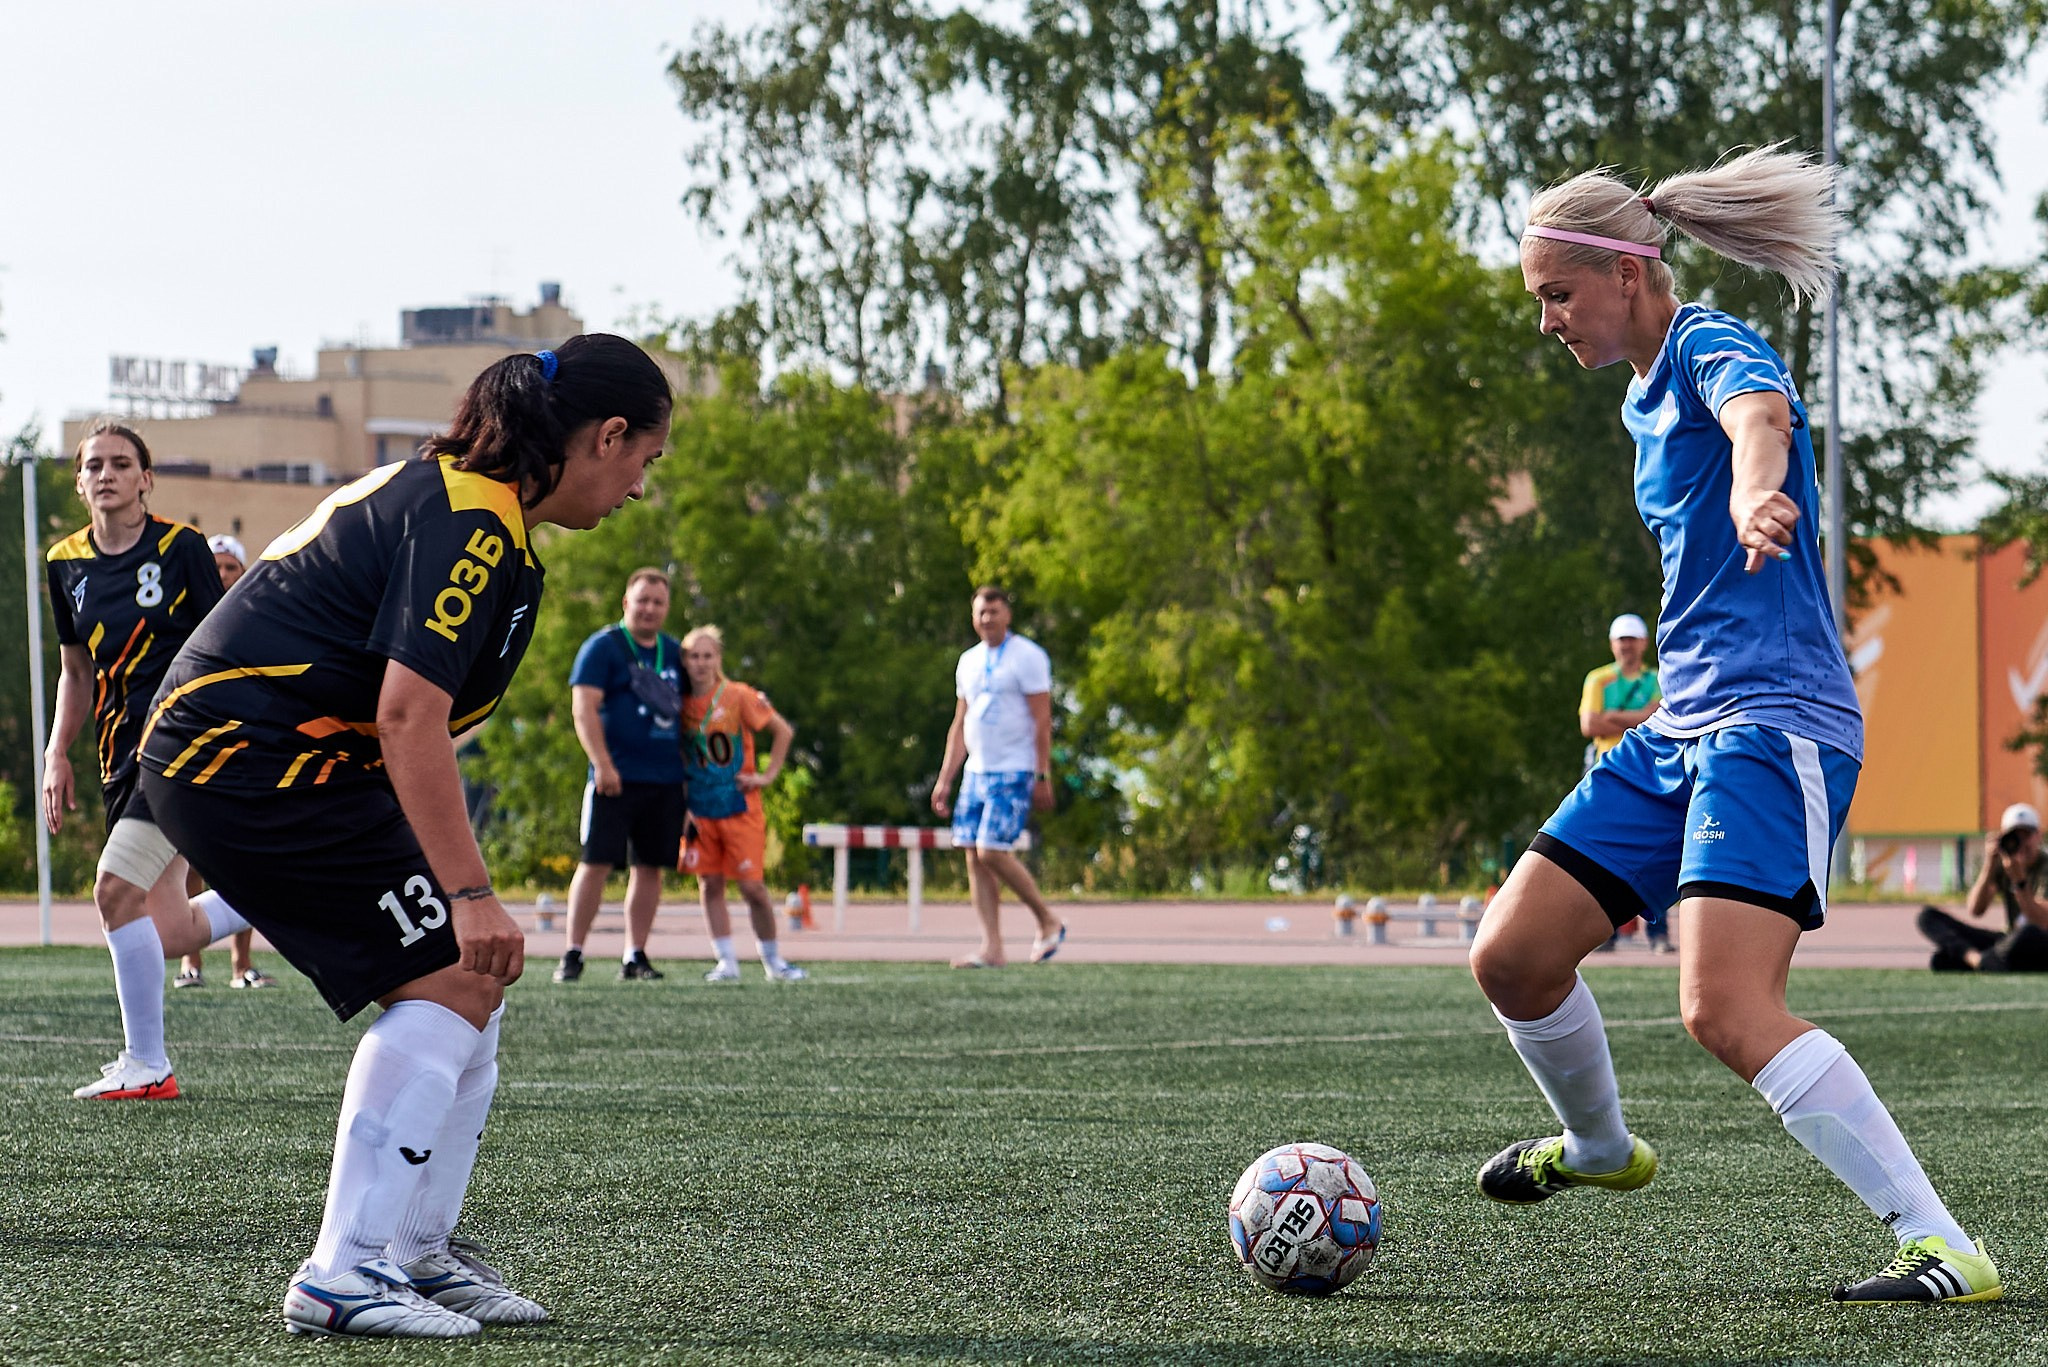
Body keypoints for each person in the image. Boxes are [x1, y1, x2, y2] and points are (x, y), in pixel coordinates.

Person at [1469, 146, 1999, 1303]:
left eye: (1558, 293)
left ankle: (1943, 1244)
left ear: (1628, 272)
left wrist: (1761, 482)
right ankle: (1601, 1149)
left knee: (1721, 1005)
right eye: (1538, 298)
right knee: (1509, 954)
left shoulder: (1710, 342)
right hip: (1680, 723)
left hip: (1775, 723)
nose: (1548, 319)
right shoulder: (1635, 391)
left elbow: (1756, 414)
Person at [139, 335, 672, 1337]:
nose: (640, 485)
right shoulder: (472, 520)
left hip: (259, 761)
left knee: (474, 981)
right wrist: (470, 893)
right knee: (457, 968)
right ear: (605, 436)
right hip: (246, 760)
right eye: (645, 457)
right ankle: (343, 1268)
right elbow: (406, 716)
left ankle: (411, 1251)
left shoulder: (464, 503)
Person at [41, 419, 258, 1101]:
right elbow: (75, 670)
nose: (106, 473)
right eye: (93, 465)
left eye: (120, 462)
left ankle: (148, 1063)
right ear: (80, 482)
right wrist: (57, 751)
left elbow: (221, 646)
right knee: (166, 927)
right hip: (116, 750)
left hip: (180, 741)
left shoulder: (182, 548)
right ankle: (274, 901)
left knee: (112, 891)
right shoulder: (64, 562)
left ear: (146, 478)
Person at [552, 568, 686, 984]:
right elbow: (583, 709)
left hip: (664, 779)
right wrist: (603, 764)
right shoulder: (603, 647)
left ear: (666, 609)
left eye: (658, 602)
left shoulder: (674, 652)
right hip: (615, 778)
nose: (649, 608)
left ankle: (635, 955)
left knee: (650, 867)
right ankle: (572, 953)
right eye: (642, 600)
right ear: (626, 602)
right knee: (596, 863)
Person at [930, 586, 1065, 969]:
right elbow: (961, 723)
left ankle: (1047, 919)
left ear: (1007, 614)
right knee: (973, 854)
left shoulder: (1028, 657)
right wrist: (945, 779)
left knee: (992, 849)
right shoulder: (968, 661)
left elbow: (1042, 720)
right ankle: (992, 947)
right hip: (977, 769)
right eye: (980, 612)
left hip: (1014, 766)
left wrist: (1042, 774)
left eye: (993, 611)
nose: (986, 618)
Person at [175, 533, 277, 991]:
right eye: (214, 567)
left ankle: (241, 965)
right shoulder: (183, 621)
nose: (221, 575)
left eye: (230, 567)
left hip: (241, 745)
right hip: (194, 745)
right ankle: (189, 962)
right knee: (189, 856)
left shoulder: (255, 620)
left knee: (242, 855)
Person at [676, 624, 805, 981]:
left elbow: (782, 730)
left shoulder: (736, 695)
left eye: (707, 656)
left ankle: (773, 960)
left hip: (739, 804)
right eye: (693, 656)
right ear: (684, 660)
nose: (700, 663)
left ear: (718, 658)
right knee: (710, 884)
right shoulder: (678, 701)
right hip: (699, 809)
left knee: (752, 886)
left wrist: (768, 775)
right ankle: (726, 960)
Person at [1580, 613, 1670, 953]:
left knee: (1655, 850)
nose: (1627, 645)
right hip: (1605, 771)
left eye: (1632, 639)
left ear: (1644, 643)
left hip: (1648, 769)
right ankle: (1606, 933)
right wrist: (1638, 717)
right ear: (1612, 643)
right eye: (1622, 639)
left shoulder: (1659, 677)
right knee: (1601, 854)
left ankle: (1658, 934)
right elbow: (1590, 726)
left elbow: (1660, 718)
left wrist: (1613, 717)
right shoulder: (1599, 679)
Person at [1917, 803, 2047, 971]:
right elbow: (1976, 910)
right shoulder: (2003, 864)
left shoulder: (2044, 866)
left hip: (2039, 939)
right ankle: (1977, 960)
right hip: (2008, 940)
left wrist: (2019, 881)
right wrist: (1989, 865)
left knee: (2028, 933)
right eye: (2015, 837)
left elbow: (2041, 922)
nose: (2021, 843)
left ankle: (1989, 960)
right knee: (1927, 917)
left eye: (2026, 836)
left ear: (2038, 836)